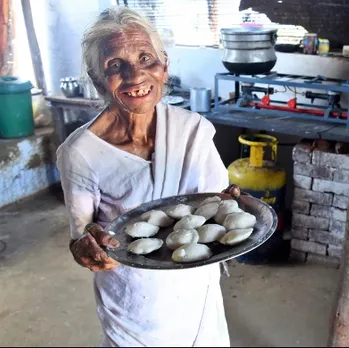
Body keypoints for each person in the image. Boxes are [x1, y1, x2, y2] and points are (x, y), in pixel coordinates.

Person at [56, 6, 230, 347]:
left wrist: (235, 202)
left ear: (164, 67)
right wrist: (86, 247)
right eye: (115, 66)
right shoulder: (80, 153)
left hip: (199, 290)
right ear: (96, 81)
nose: (136, 77)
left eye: (146, 59)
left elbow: (220, 207)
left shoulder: (191, 130)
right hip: (135, 303)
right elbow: (81, 237)